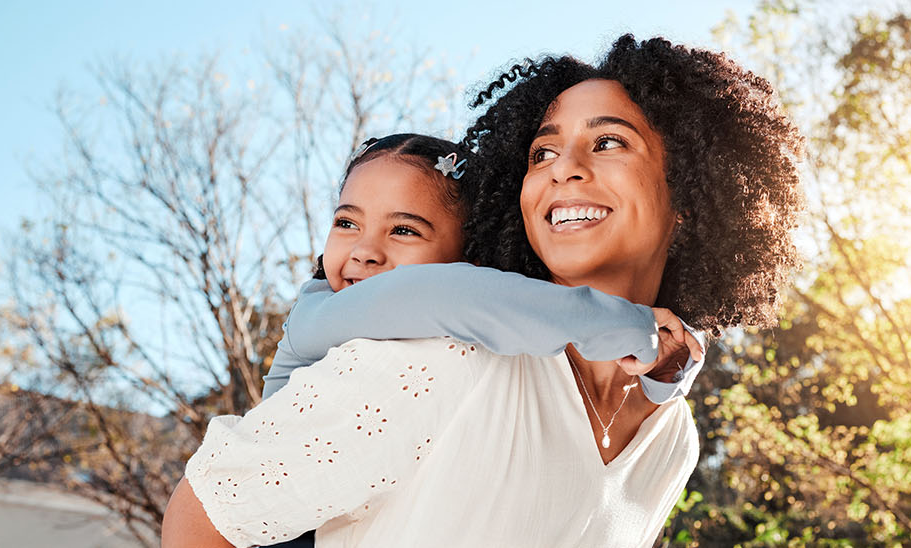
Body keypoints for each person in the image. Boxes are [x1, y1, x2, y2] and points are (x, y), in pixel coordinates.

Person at [161, 35, 804, 547]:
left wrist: (668, 363)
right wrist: (629, 330)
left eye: (608, 142)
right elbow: (203, 519)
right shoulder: (438, 354)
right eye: (540, 153)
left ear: (692, 190)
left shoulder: (673, 437)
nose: (564, 168)